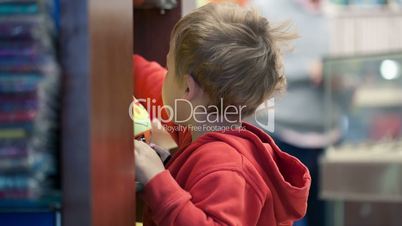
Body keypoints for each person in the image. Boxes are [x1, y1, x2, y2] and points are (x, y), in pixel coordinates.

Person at [134, 3, 311, 226]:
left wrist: (155, 180)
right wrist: (170, 165)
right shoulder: (205, 139)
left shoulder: (228, 166)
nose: (165, 77)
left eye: (169, 69)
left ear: (188, 89)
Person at [248, 0, 341, 225]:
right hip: (282, 139)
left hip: (330, 140)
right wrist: (310, 70)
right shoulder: (265, 8)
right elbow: (252, 66)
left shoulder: (333, 13)